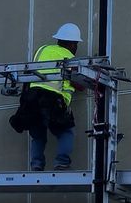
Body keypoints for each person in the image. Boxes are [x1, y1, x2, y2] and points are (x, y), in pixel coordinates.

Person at [10, 22, 83, 170]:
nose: (76, 48)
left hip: (30, 99)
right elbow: (78, 82)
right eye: (76, 44)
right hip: (52, 100)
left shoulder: (42, 50)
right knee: (65, 132)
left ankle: (36, 165)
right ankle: (62, 162)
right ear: (72, 44)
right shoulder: (68, 56)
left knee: (37, 134)